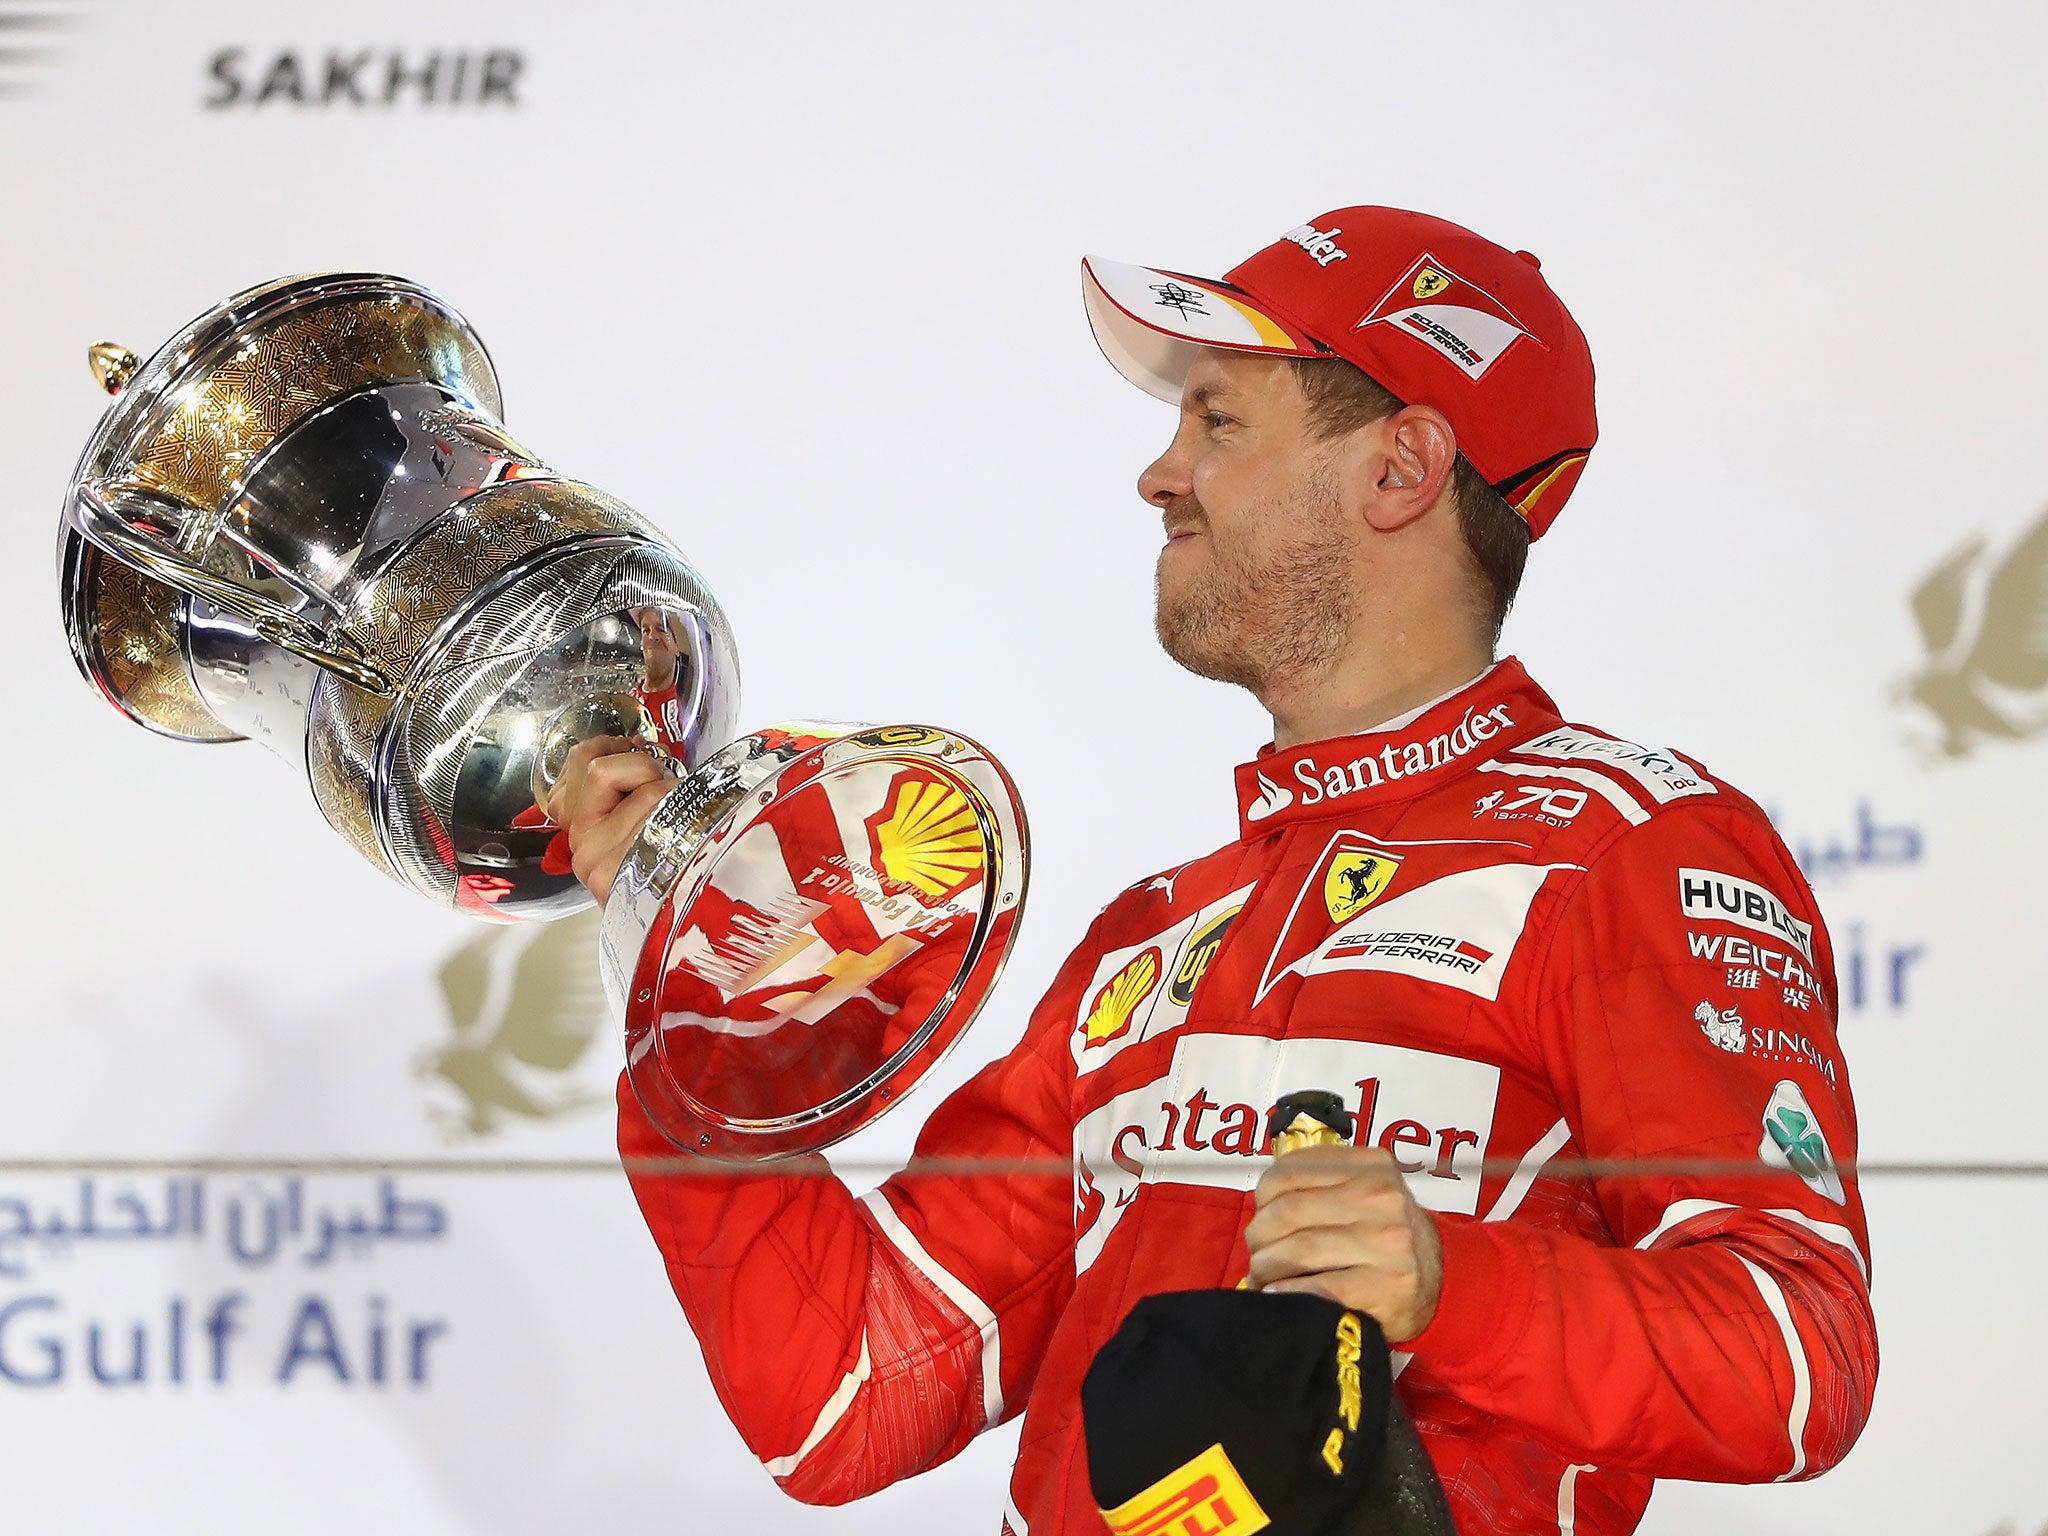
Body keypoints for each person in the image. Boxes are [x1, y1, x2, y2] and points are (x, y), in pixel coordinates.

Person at [550, 206, 1877, 1536]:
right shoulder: (1156, 937)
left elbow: (1800, 1357)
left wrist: (1448, 1286)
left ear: (1402, 467)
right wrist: (699, 971)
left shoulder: (1624, 846)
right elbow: (843, 1392)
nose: (1160, 475)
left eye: (1219, 422)